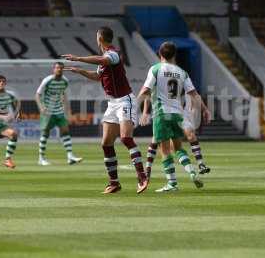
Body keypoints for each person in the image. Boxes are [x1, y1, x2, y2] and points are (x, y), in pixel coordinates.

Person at [61, 26, 148, 194]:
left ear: (100, 37)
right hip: (112, 103)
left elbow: (105, 61)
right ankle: (114, 183)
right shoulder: (104, 58)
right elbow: (97, 76)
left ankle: (142, 177)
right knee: (106, 143)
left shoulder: (113, 54)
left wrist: (78, 58)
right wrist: (80, 71)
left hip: (125, 101)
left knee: (125, 138)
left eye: (96, 35)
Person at [137, 41, 211, 192]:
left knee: (164, 150)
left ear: (160, 54)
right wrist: (205, 110)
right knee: (178, 147)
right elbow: (194, 95)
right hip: (177, 114)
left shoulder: (156, 69)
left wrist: (134, 105)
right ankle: (191, 171)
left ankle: (172, 183)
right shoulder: (182, 72)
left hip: (162, 114)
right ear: (174, 54)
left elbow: (145, 90)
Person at [141, 85, 211, 180]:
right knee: (173, 147)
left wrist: (201, 110)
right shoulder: (162, 82)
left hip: (175, 116)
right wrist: (145, 112)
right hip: (167, 115)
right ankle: (191, 171)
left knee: (175, 145)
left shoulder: (180, 84)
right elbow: (147, 96)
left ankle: (199, 165)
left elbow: (195, 96)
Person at [35, 62, 82, 166]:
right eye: (57, 68)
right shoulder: (47, 80)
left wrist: (68, 110)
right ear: (53, 69)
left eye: (61, 68)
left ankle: (70, 157)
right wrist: (41, 107)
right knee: (45, 133)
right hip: (48, 111)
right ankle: (41, 158)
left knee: (65, 131)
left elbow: (63, 95)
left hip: (59, 110)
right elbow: (37, 94)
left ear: (63, 69)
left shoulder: (65, 81)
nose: (59, 69)